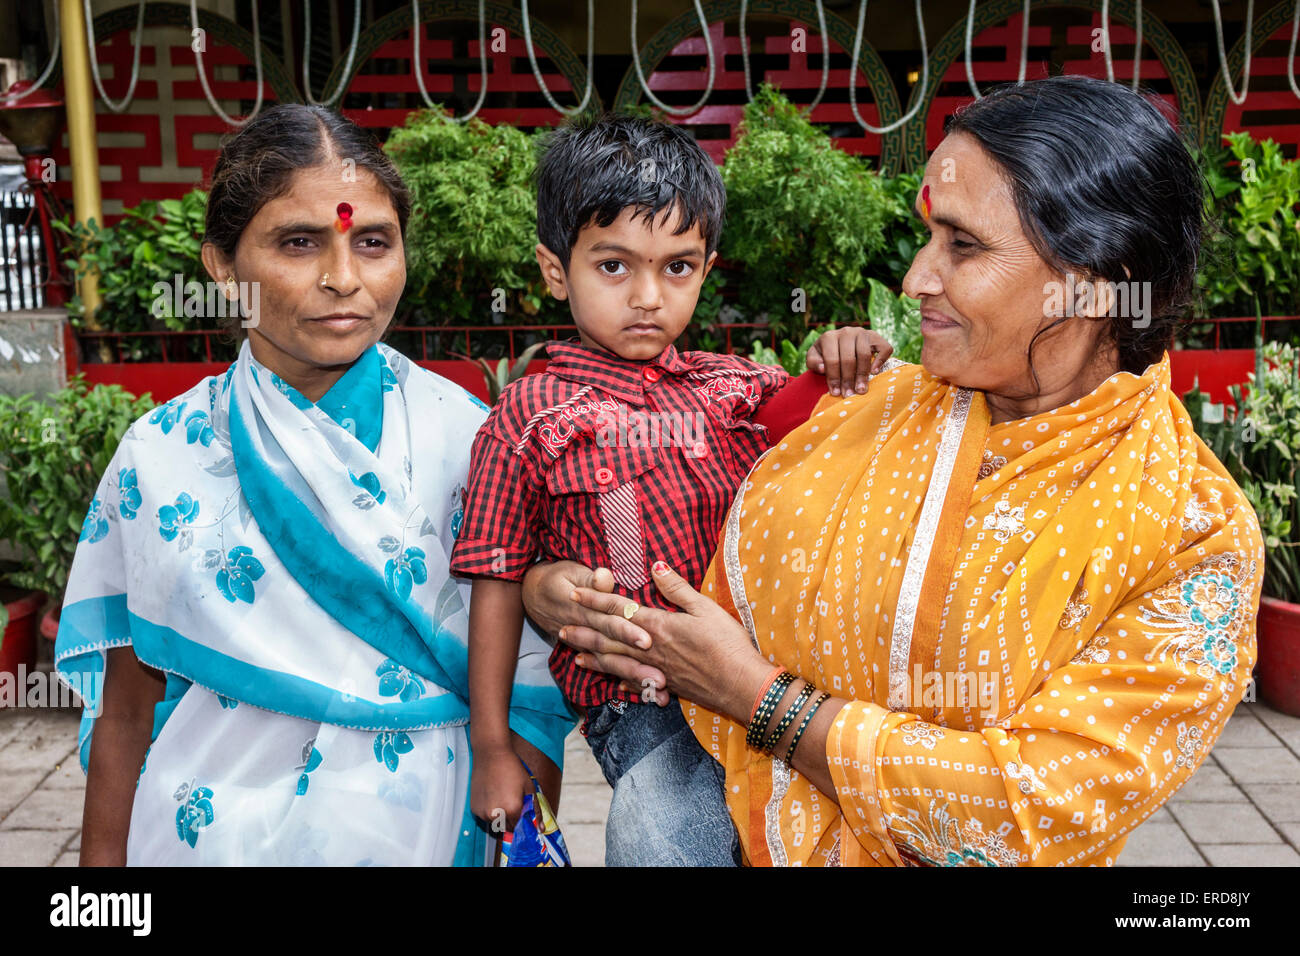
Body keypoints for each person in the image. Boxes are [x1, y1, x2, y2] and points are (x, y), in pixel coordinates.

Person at [521, 76, 1265, 866]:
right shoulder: (874, 407)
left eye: (963, 245)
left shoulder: (1194, 536)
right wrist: (551, 590)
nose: (915, 278)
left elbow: (1029, 807)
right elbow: (678, 514)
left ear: (1092, 279)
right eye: (929, 235)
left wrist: (757, 698)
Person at [55, 104, 572, 866]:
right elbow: (127, 713)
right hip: (206, 837)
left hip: (424, 833)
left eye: (372, 242)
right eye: (299, 243)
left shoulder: (475, 441)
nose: (343, 279)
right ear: (222, 267)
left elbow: (531, 690)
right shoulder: (158, 457)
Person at [448, 113, 893, 866]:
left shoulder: (732, 388)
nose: (649, 296)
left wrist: (835, 364)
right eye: (614, 267)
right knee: (660, 835)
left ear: (706, 269)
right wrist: (491, 745)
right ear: (556, 270)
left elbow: (801, 420)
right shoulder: (527, 417)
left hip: (769, 673)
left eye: (677, 267)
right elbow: (493, 583)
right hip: (644, 701)